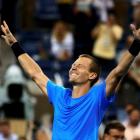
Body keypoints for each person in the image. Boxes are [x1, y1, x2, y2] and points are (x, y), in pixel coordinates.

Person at [1, 21, 140, 140]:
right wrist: (14, 44)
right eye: (73, 65)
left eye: (80, 66)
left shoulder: (97, 97)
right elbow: (36, 74)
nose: (73, 67)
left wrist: (136, 45)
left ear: (92, 75)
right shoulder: (60, 95)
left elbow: (117, 72)